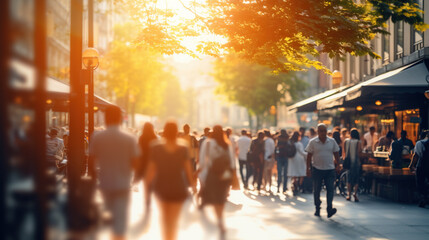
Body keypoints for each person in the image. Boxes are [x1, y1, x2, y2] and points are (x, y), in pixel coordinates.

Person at [89, 106, 140, 240]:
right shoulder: (129, 138)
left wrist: (93, 180)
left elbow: (91, 160)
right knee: (120, 220)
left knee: (108, 217)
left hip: (105, 183)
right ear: (120, 119)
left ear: (106, 118)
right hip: (123, 183)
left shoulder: (97, 137)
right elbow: (135, 163)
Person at [145, 121, 196, 240]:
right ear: (176, 132)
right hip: (178, 186)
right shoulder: (183, 147)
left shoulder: (156, 147)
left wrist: (147, 189)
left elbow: (150, 171)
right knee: (174, 219)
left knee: (164, 217)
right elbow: (188, 170)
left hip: (161, 186)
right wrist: (193, 186)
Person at [198, 125, 236, 239]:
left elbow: (202, 160)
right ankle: (220, 218)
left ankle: (219, 219)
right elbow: (232, 161)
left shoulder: (208, 143)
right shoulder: (226, 144)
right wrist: (233, 176)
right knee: (221, 197)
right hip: (225, 175)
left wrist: (200, 173)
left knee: (215, 198)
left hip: (212, 174)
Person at [306, 123, 340, 218]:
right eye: (321, 131)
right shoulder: (313, 142)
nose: (323, 133)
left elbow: (336, 153)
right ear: (317, 132)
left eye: (324, 131)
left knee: (330, 189)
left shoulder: (332, 141)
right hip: (317, 170)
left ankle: (329, 208)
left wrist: (338, 165)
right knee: (316, 190)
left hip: (330, 170)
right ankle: (317, 207)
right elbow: (309, 156)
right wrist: (308, 168)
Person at [136, 122, 158, 211]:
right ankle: (150, 195)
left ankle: (147, 199)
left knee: (146, 181)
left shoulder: (141, 138)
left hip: (144, 162)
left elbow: (138, 150)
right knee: (152, 180)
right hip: (153, 162)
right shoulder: (155, 137)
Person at [409, 130, 429, 208]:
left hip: (422, 166)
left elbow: (416, 156)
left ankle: (423, 198)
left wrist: (411, 165)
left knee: (420, 183)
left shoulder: (420, 143)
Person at [343, 129, 363, 202]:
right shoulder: (358, 142)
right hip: (356, 162)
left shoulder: (346, 141)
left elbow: (344, 152)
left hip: (348, 162)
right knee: (356, 178)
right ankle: (355, 193)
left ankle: (348, 194)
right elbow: (359, 152)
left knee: (349, 178)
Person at [288, 131, 307, 196]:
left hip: (292, 159)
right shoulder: (299, 144)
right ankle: (299, 185)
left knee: (294, 174)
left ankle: (294, 185)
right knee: (301, 173)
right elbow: (302, 152)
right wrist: (309, 155)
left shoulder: (291, 143)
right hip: (299, 159)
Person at [276, 129, 289, 193]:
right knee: (285, 174)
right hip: (286, 157)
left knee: (279, 173)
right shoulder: (288, 138)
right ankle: (284, 188)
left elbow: (277, 147)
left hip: (280, 156)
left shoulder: (279, 138)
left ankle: (278, 188)